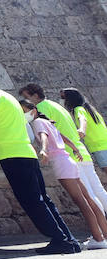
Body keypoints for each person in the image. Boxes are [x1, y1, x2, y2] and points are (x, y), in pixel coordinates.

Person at [0, 71, 79, 254]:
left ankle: (60, 240)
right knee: (43, 199)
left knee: (32, 200)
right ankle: (68, 239)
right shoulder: (9, 98)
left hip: (13, 155)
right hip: (25, 153)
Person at [23, 100, 107, 249]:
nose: (24, 114)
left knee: (82, 202)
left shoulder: (37, 123)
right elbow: (62, 137)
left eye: (24, 110)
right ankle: (103, 235)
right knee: (88, 199)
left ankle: (98, 238)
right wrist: (75, 149)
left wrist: (43, 149)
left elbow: (44, 136)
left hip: (61, 164)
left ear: (33, 110)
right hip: (69, 160)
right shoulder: (47, 121)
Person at [19, 84, 107, 214]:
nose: (26, 102)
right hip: (81, 151)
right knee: (98, 190)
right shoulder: (56, 105)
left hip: (69, 155)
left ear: (36, 96)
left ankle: (101, 230)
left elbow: (51, 133)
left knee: (88, 195)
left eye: (27, 97)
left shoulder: (41, 109)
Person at [63, 88, 107, 174]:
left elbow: (82, 119)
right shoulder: (90, 109)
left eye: (64, 98)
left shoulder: (78, 109)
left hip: (98, 146)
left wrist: (82, 129)